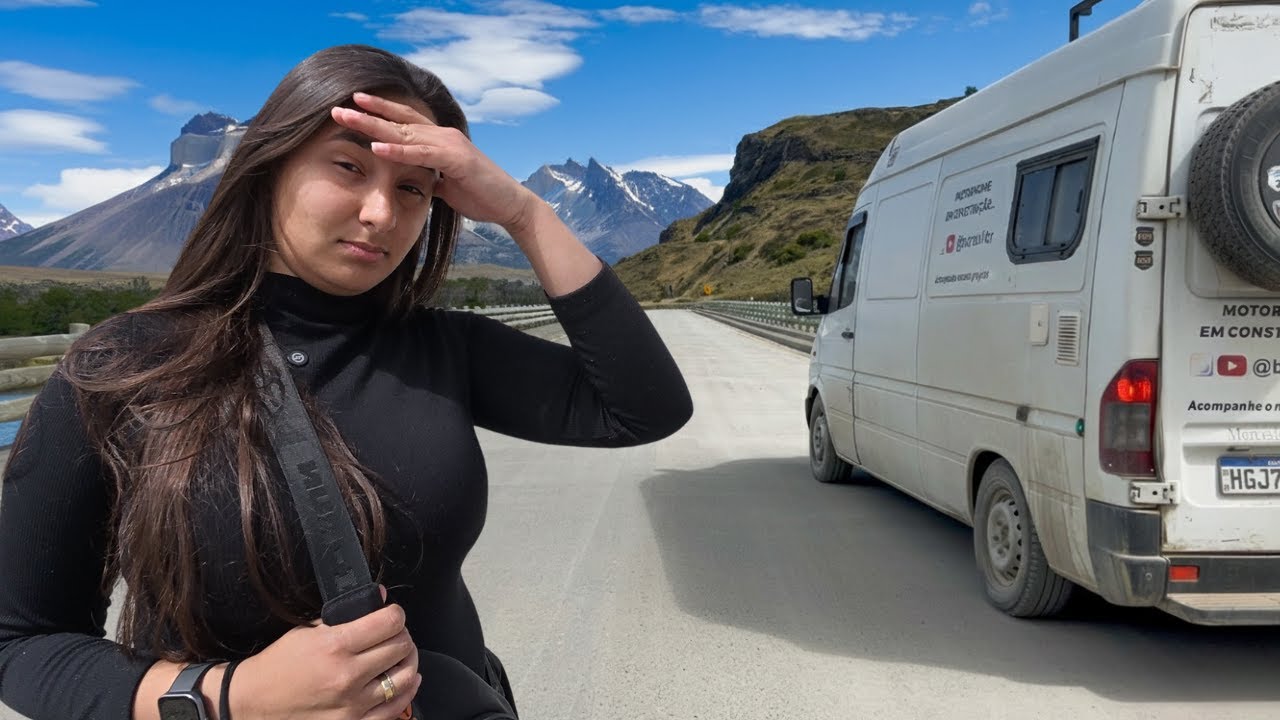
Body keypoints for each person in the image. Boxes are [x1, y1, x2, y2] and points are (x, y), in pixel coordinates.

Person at [0, 44, 692, 720]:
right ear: (269, 168)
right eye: (347, 167)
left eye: (412, 189)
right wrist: (230, 697)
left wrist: (523, 211)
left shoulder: (445, 347)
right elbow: (20, 644)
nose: (381, 215)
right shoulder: (121, 368)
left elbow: (644, 408)